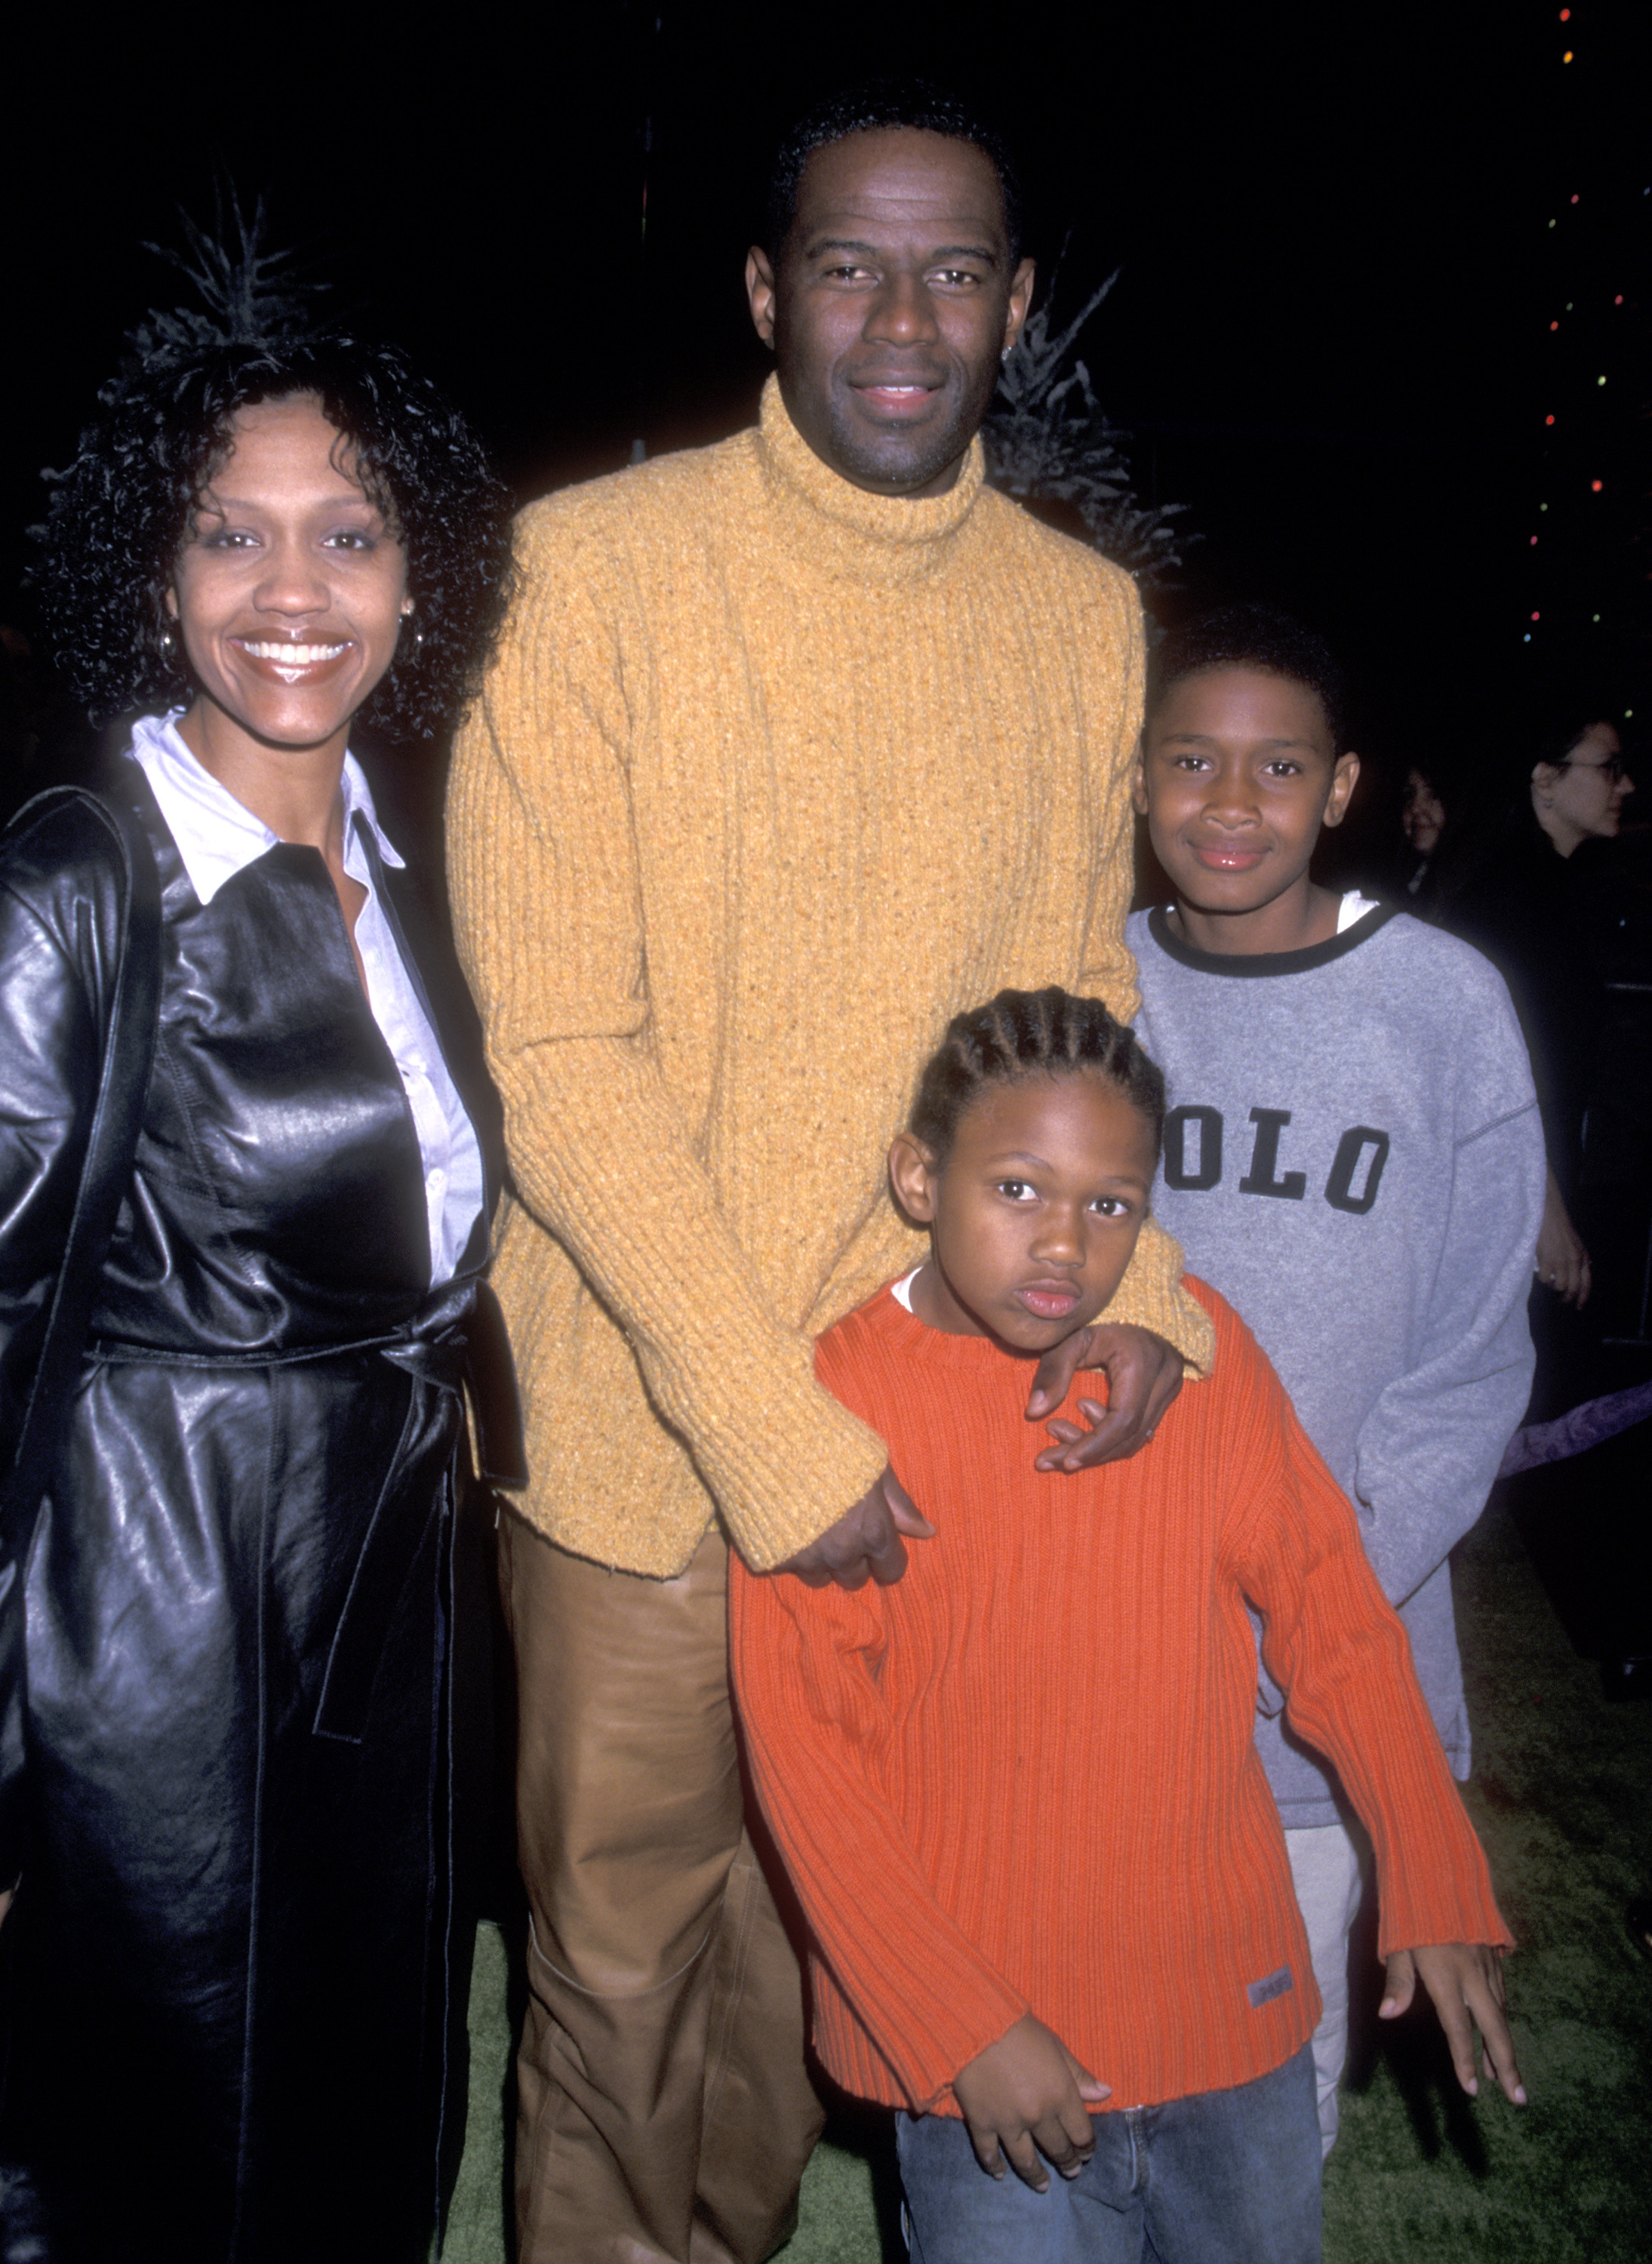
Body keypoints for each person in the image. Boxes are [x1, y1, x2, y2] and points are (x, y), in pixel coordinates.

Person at [446, 79, 1213, 2264]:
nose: (902, 316)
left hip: (928, 1418)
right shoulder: (585, 573)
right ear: (769, 291)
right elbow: (561, 1059)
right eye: (851, 266)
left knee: (826, 1947)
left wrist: (1132, 1281)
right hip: (642, 1437)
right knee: (616, 1960)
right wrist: (765, 1424)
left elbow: (1083, 1001)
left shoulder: (1076, 616)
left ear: (1015, 303)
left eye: (952, 269)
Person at [728, 986, 1526, 2264]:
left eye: (1109, 1204)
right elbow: (801, 1756)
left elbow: (1335, 1622)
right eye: (1017, 1190)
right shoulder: (825, 1409)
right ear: (919, 1178)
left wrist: (1429, 1870)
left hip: (1231, 2017)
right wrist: (954, 2027)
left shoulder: (1198, 1366)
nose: (1062, 1245)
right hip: (989, 2059)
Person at [0, 328, 515, 2261]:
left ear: (416, 571)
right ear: (157, 568)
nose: (293, 593)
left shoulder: (412, 853)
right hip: (148, 1617)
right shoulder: (81, 878)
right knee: (157, 2147)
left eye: (350, 535)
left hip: (371, 1612)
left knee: (356, 2111)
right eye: (231, 535)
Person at [1123, 605, 1544, 2150]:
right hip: (1100, 1647)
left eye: (1274, 767)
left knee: (1262, 2087)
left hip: (1325, 1672)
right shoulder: (1088, 992)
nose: (1227, 806)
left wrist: (1316, 1589)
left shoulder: (1438, 1006)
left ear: (1341, 783)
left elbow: (1464, 1366)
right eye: (1188, 761)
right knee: (1084, 2068)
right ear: (1137, 776)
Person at [1450, 715, 1635, 1330]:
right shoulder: (1507, 904)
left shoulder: (1550, 891)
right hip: (1509, 1205)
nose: (1626, 784)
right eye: (1607, 766)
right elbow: (1489, 1074)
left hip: (1540, 1187)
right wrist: (1545, 1212)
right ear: (1544, 780)